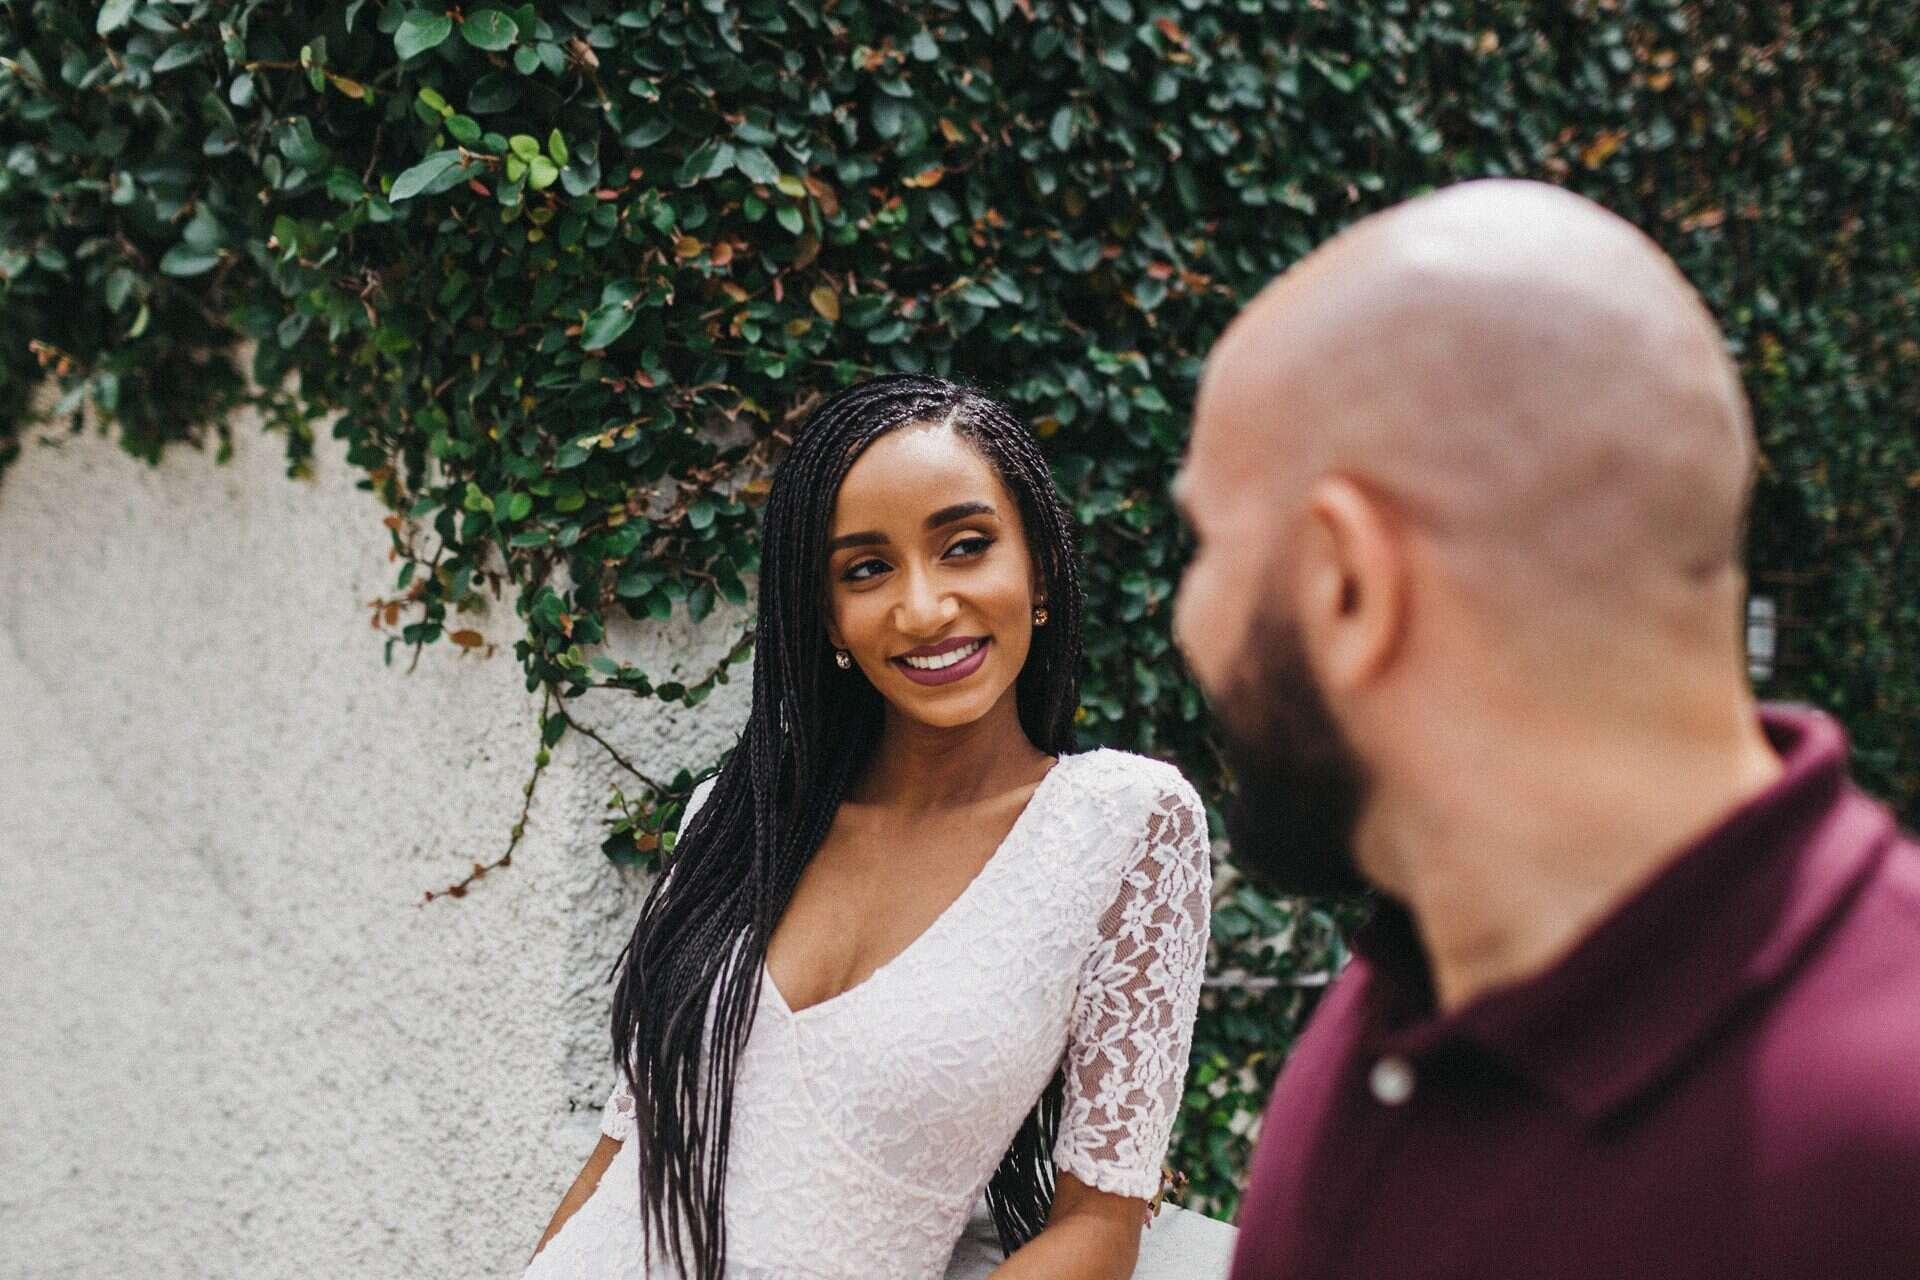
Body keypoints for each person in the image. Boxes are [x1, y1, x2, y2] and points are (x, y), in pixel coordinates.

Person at [1169, 178, 1920, 1278]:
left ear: (1348, 585)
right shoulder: (1400, 996)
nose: (1185, 621)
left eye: (1207, 545)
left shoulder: (1886, 1143)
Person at [525, 374, 1213, 1280]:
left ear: (1040, 567)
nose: (923, 609)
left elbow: (1097, 1229)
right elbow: (622, 1156)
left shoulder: (1122, 826)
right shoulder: (733, 821)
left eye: (965, 547)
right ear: (830, 617)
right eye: (866, 569)